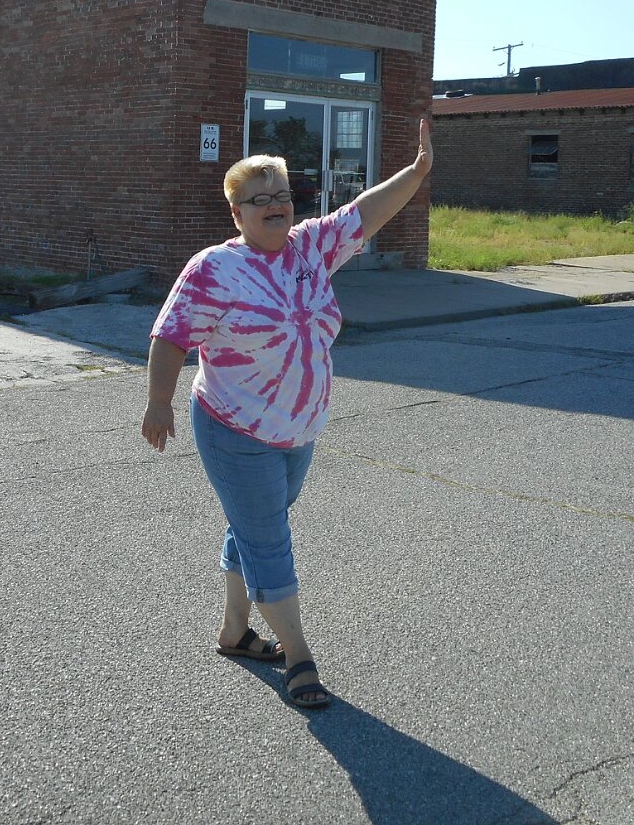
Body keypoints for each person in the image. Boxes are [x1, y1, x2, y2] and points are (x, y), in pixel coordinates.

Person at [142, 117, 435, 710]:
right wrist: (158, 402)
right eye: (260, 199)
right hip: (234, 427)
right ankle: (300, 658)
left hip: (299, 430)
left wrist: (415, 172)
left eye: (282, 194)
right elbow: (170, 336)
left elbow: (365, 213)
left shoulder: (309, 248)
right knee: (269, 540)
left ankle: (234, 631)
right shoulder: (213, 270)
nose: (276, 204)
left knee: (255, 525)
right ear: (237, 214)